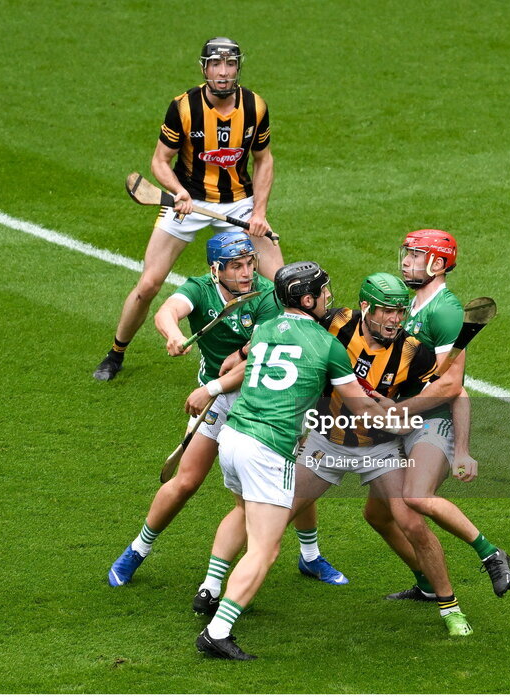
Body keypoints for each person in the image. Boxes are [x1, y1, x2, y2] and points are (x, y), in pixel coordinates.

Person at [196, 262, 412, 660]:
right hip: (267, 450)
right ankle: (217, 631)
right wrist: (401, 422)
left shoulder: (264, 329)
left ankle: (209, 590)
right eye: (324, 291)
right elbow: (362, 410)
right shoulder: (327, 345)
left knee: (244, 515)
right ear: (307, 299)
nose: (330, 297)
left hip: (232, 438)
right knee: (265, 548)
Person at [106, 233, 342, 589]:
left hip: (262, 399)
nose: (247, 272)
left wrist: (215, 383)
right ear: (215, 269)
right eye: (236, 266)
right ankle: (137, 550)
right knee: (185, 481)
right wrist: (172, 333)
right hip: (216, 401)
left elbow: (256, 361)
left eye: (250, 263)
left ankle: (310, 556)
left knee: (292, 480)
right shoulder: (200, 289)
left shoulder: (266, 295)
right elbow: (168, 311)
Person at [287, 272, 475, 636]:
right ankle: (222, 596)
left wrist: (407, 419)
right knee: (274, 517)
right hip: (327, 442)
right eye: (386, 311)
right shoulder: (334, 322)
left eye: (400, 312)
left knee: (412, 523)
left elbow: (447, 394)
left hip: (380, 448)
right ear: (364, 308)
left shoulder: (414, 352)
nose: (394, 319)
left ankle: (450, 607)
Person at [93, 36, 282, 381]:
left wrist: (259, 212)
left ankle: (296, 354)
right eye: (215, 64)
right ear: (204, 67)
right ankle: (116, 352)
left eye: (229, 64)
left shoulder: (255, 106)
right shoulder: (183, 107)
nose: (223, 72)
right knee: (149, 284)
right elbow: (159, 161)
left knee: (282, 283)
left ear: (239, 67)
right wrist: (178, 191)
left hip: (239, 203)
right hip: (188, 203)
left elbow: (263, 160)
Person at [381, 229, 510, 605]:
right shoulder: (409, 305)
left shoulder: (446, 310)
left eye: (415, 256)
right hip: (400, 419)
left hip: (430, 421)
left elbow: (452, 387)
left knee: (417, 496)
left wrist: (461, 451)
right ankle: (426, 584)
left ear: (437, 263)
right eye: (405, 253)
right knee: (379, 514)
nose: (405, 261)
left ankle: (491, 553)